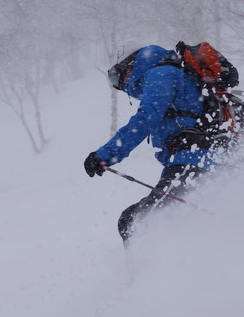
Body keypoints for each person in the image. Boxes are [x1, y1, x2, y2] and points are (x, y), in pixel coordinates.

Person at [84, 44, 216, 244]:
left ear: (131, 65)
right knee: (138, 219)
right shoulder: (169, 73)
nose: (121, 85)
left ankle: (150, 272)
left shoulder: (160, 74)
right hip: (194, 161)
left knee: (138, 222)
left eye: (117, 76)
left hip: (193, 160)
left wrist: (105, 154)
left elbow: (146, 119)